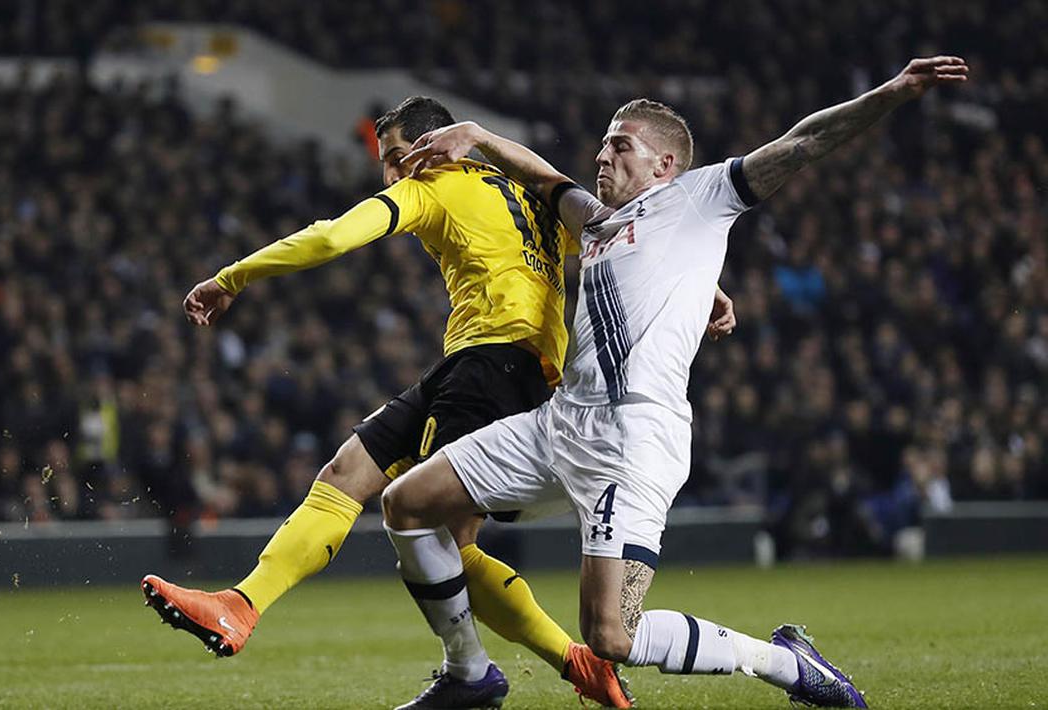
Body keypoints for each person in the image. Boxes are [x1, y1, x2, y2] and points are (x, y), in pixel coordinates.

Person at [380, 56, 968, 709]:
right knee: (405, 504)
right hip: (559, 423)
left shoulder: (697, 198)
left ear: (664, 165)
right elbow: (546, 177)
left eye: (619, 145)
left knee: (609, 635)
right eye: (602, 142)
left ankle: (785, 663)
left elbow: (802, 143)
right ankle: (467, 676)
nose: (602, 155)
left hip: (630, 436)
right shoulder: (597, 222)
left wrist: (891, 92)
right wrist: (480, 138)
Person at [139, 95, 711, 707]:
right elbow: (634, 248)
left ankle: (535, 666)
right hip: (481, 366)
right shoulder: (525, 196)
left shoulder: (432, 184)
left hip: (493, 367)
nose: (389, 175)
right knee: (346, 474)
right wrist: (711, 287)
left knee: (443, 541)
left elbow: (331, 238)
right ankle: (241, 604)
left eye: (394, 157)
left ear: (431, 146)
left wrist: (232, 278)